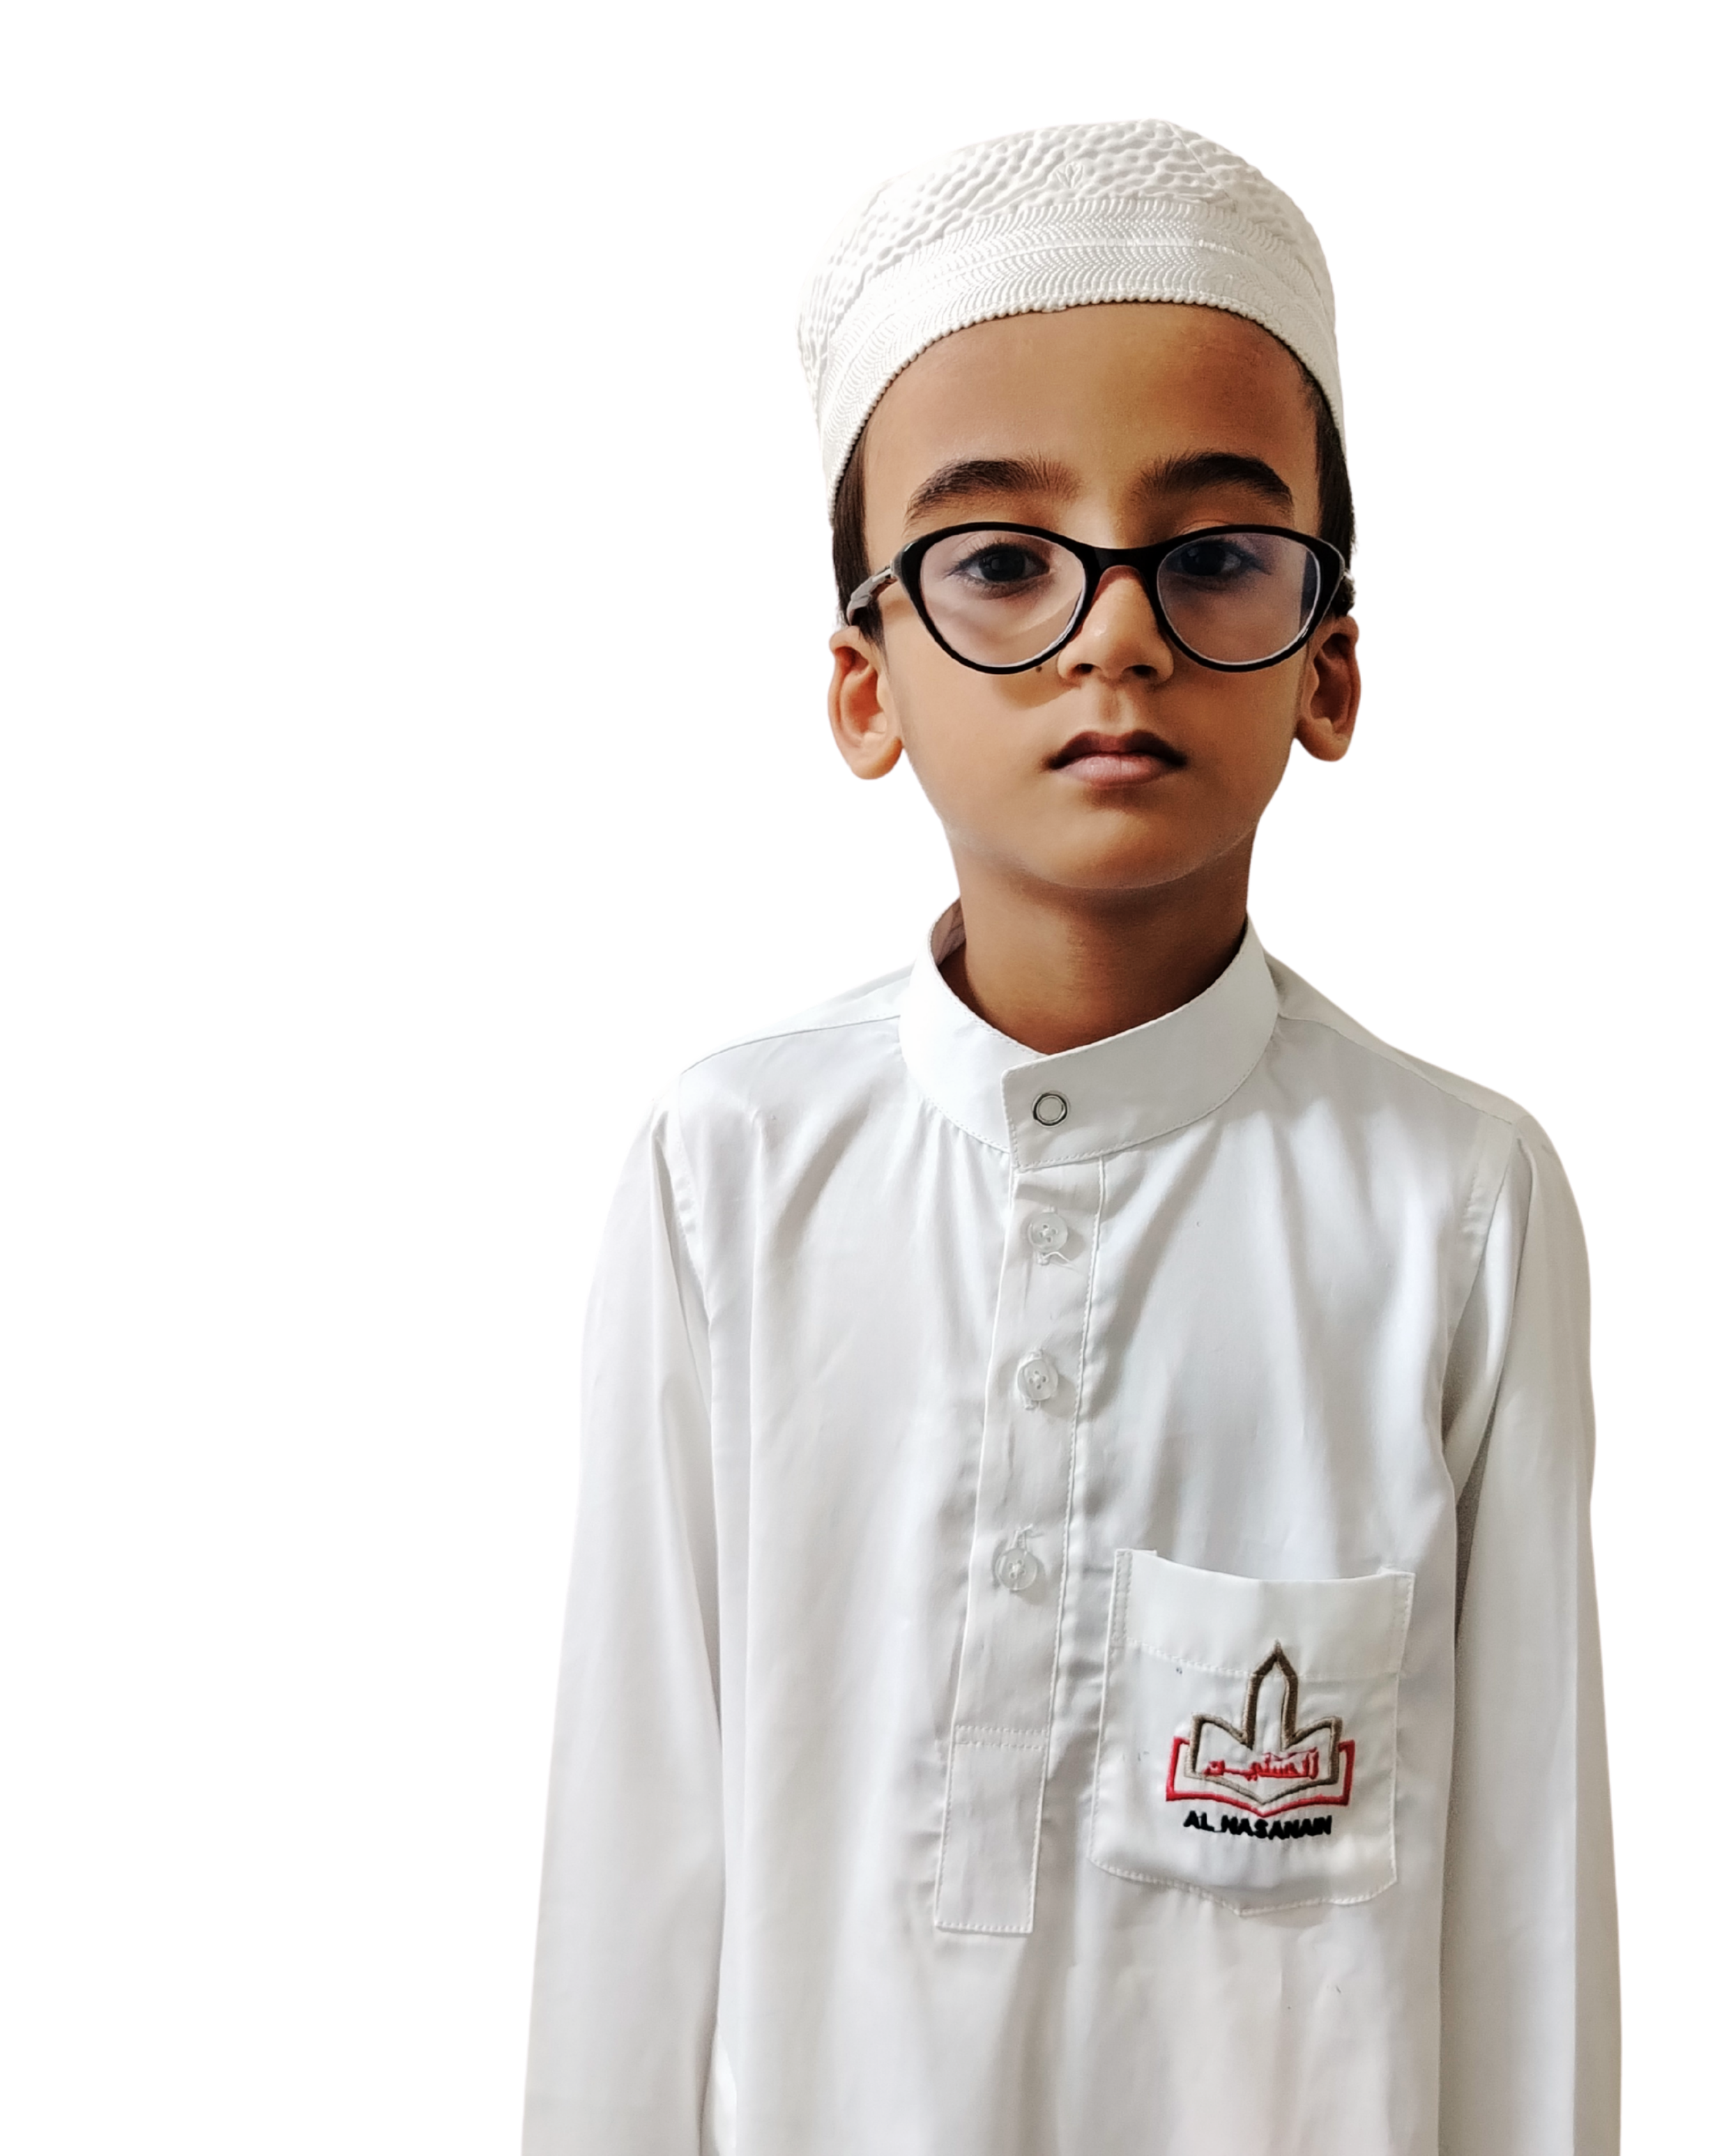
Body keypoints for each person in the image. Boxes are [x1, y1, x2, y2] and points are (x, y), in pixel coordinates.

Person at [522, 118, 1618, 2156]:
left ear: (1331, 660)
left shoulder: (1451, 1208)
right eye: (1004, 561)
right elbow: (631, 1848)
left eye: (1209, 555)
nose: (1115, 633)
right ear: (863, 680)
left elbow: (1522, 1908)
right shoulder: (729, 1171)